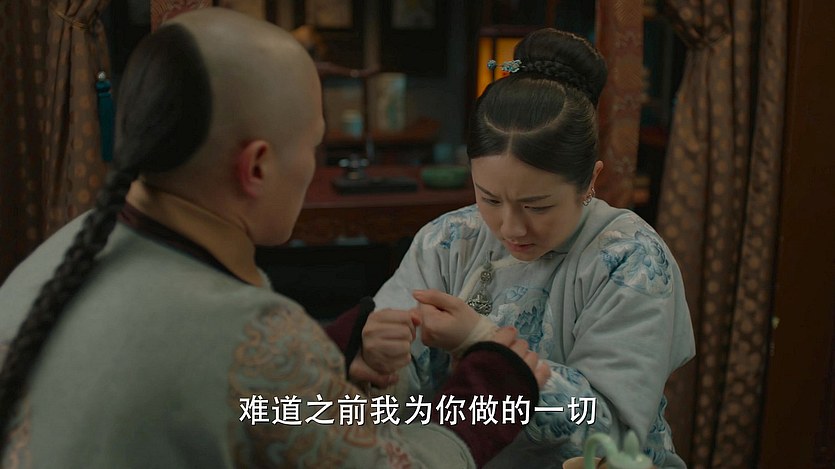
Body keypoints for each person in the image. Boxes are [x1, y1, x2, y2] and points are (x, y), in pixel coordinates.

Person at [0, 8, 550, 468]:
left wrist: (327, 354)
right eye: (312, 146)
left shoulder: (61, 253)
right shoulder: (255, 334)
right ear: (257, 167)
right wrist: (490, 391)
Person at [353, 29, 696, 468]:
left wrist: (482, 343)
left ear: (589, 181)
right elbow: (387, 401)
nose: (510, 227)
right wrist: (379, 358)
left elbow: (612, 431)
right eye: (489, 199)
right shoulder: (449, 240)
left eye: (537, 206)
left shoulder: (631, 259)